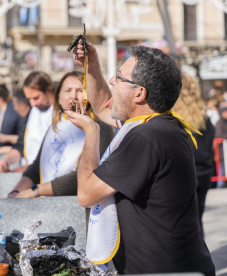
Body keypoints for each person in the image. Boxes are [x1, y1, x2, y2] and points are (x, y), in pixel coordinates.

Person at [68, 42, 215, 274]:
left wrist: (91, 132)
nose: (111, 81)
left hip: (164, 271)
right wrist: (92, 64)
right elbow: (102, 107)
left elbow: (86, 193)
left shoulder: (148, 136)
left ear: (139, 93)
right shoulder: (158, 124)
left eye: (119, 77)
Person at [11, 72, 114, 198]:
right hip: (49, 204)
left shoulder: (100, 126)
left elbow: (87, 176)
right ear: (58, 97)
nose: (73, 96)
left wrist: (36, 190)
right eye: (68, 90)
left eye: (80, 90)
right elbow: (37, 167)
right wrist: (15, 193)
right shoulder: (55, 124)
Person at [173, 73, 215, 228]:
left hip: (183, 175)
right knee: (197, 221)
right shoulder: (204, 117)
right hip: (204, 173)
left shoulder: (173, 118)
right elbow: (209, 144)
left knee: (181, 224)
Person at [0, 72, 54, 173]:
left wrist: (30, 169)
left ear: (49, 90)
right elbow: (21, 144)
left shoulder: (63, 113)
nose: (32, 103)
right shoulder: (33, 111)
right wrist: (7, 160)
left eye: (36, 98)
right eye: (29, 99)